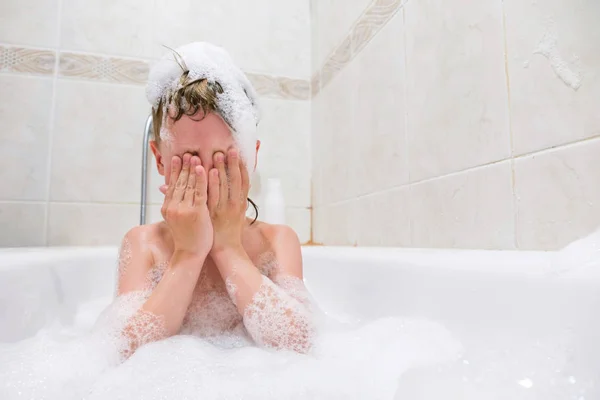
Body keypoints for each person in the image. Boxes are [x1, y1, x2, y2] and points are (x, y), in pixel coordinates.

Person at [115, 43, 314, 359]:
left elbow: (300, 344)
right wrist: (188, 254)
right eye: (190, 159)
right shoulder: (143, 244)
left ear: (251, 158)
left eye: (223, 159)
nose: (208, 176)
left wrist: (227, 247)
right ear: (160, 160)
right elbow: (124, 351)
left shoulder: (277, 241)